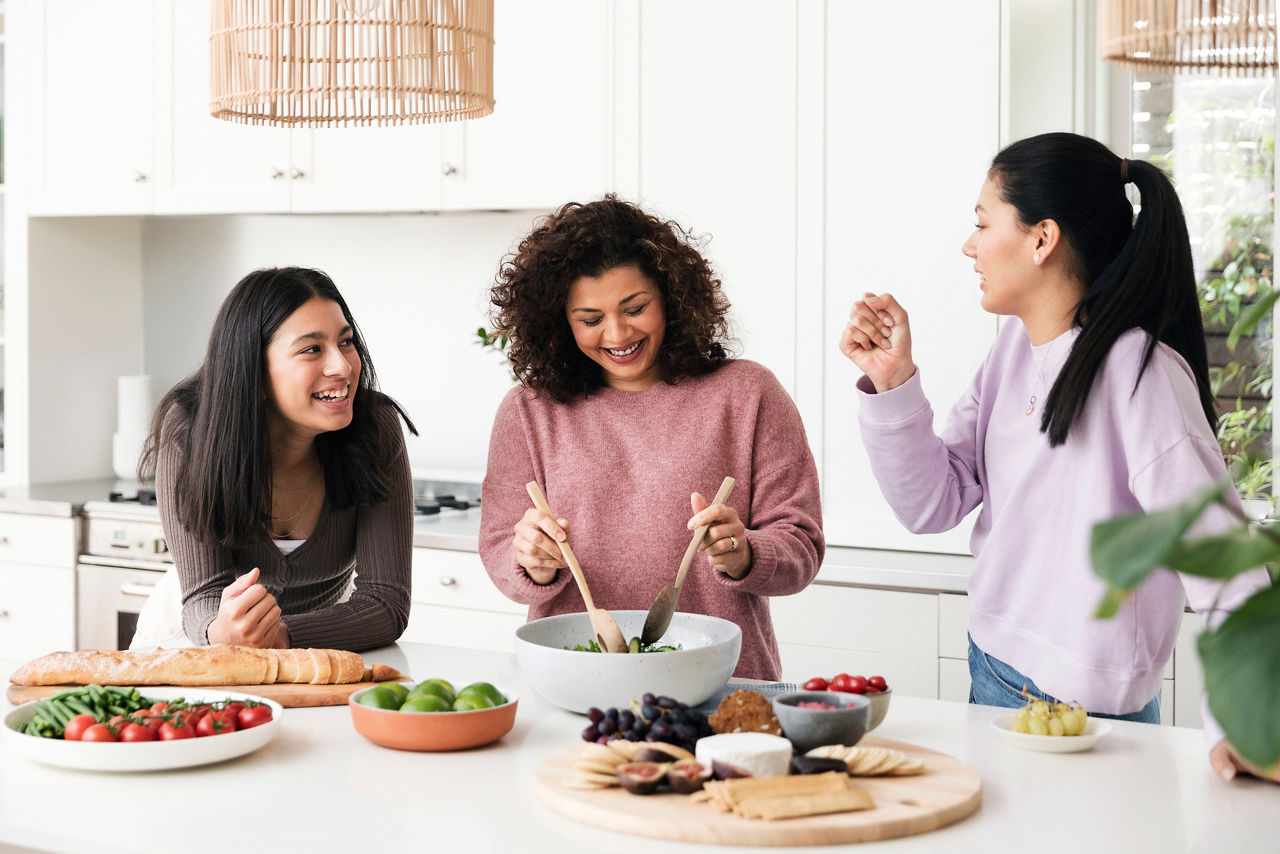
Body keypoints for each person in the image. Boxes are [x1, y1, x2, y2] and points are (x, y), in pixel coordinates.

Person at [839, 131, 1273, 781]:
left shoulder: (1140, 373)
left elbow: (1223, 560)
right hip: (992, 673)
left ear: (1042, 239)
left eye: (983, 224)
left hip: (1092, 719)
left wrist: (1251, 725)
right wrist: (893, 382)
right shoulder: (1012, 351)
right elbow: (932, 504)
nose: (970, 245)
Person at [479, 195, 824, 680]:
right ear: (560, 323)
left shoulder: (746, 394)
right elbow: (498, 546)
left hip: (719, 680)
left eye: (635, 308)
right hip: (575, 677)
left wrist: (746, 552)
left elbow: (802, 544)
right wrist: (532, 562)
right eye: (591, 319)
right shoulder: (529, 412)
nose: (617, 334)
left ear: (672, 296)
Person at [133, 266, 416, 653]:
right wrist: (223, 632)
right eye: (312, 349)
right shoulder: (190, 430)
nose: (344, 366)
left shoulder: (375, 428)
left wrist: (284, 636)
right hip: (192, 643)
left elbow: (386, 603)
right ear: (253, 370)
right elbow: (203, 598)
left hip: (313, 648)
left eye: (346, 342)